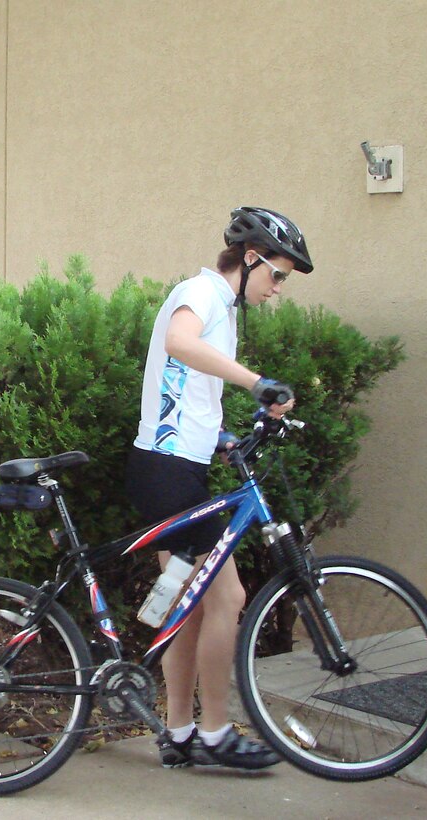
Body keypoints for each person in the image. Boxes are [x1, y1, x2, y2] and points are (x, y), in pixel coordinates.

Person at [125, 206, 313, 770]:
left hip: (173, 463)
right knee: (226, 598)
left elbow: (182, 388)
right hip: (169, 468)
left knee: (186, 602)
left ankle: (180, 731)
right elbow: (180, 342)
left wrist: (221, 435)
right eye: (277, 275)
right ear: (250, 259)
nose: (278, 290)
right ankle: (213, 734)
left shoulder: (222, 310)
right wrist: (257, 383)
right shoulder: (202, 293)